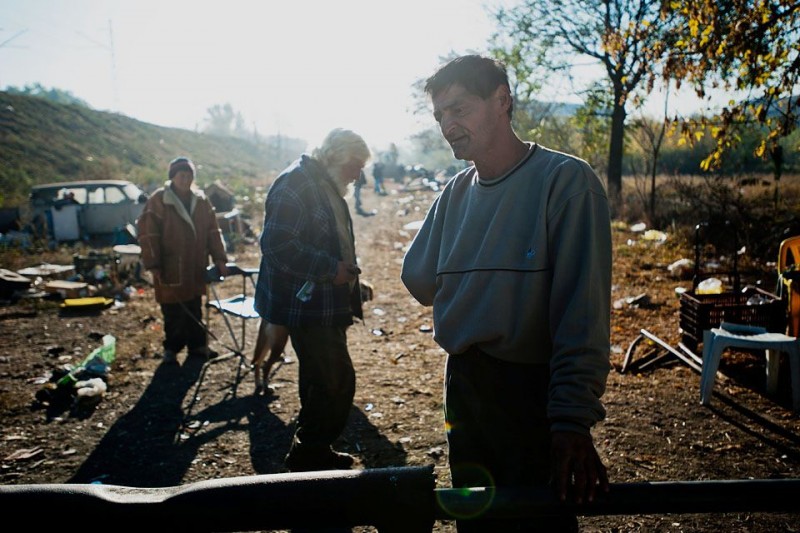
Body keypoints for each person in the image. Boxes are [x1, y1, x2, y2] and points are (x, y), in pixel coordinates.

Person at [401, 55, 612, 531]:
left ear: (502, 100)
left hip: (531, 393)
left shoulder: (565, 182)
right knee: (477, 522)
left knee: (535, 523)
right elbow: (416, 280)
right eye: (440, 116)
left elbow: (583, 314)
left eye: (459, 109)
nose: (448, 126)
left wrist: (571, 421)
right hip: (464, 389)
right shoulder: (454, 193)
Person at [254, 128, 370, 472]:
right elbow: (276, 246)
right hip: (307, 306)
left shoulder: (323, 184)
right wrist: (328, 269)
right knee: (335, 381)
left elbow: (326, 239)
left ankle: (313, 453)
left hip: (324, 303)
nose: (357, 174)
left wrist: (347, 277)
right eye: (354, 164)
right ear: (334, 156)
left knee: (321, 381)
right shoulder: (297, 183)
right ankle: (308, 456)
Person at [137, 156, 230, 365]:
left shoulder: (201, 200)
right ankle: (171, 349)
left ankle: (198, 346)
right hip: (169, 265)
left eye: (189, 175)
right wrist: (153, 263)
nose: (185, 179)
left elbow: (213, 231)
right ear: (173, 177)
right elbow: (148, 234)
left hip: (195, 264)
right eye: (182, 175)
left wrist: (220, 259)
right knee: (173, 310)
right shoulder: (160, 200)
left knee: (195, 306)